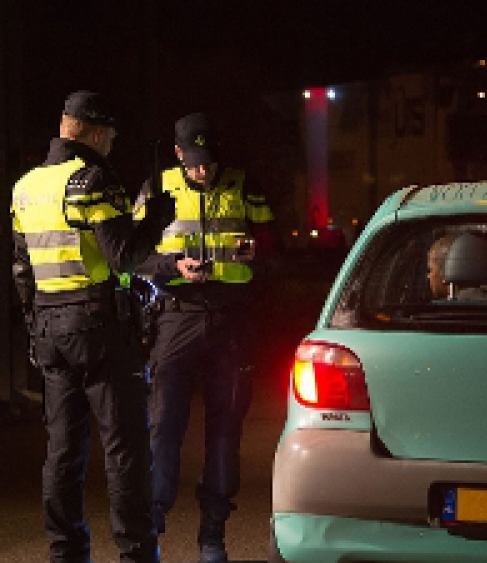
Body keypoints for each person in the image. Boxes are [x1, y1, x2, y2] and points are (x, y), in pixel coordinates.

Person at [10, 90, 174, 563]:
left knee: (63, 451)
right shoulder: (93, 180)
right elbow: (125, 254)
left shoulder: (25, 187)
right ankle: (136, 553)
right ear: (96, 133)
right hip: (101, 331)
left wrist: (34, 328)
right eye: (112, 137)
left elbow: (21, 269)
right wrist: (155, 220)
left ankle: (65, 553)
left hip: (49, 331)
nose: (113, 145)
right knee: (125, 451)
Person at [132, 112, 280, 563]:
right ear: (178, 154)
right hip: (176, 319)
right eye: (194, 162)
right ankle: (152, 525)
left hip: (230, 320)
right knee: (164, 428)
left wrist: (259, 253)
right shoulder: (156, 190)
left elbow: (276, 252)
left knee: (224, 432)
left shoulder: (245, 186)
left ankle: (212, 536)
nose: (203, 170)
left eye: (209, 161)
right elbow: (132, 256)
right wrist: (172, 268)